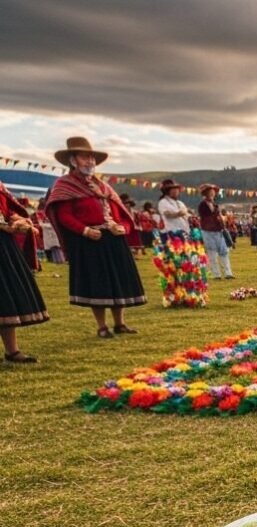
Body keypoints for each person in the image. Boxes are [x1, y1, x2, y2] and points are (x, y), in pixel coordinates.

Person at [44, 136, 146, 337]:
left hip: (112, 239)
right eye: (85, 157)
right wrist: (85, 231)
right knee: (97, 283)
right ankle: (102, 326)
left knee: (117, 280)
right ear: (73, 160)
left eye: (92, 158)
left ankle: (120, 323)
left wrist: (123, 227)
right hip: (89, 240)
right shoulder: (64, 185)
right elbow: (64, 216)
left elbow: (120, 213)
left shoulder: (104, 187)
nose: (90, 161)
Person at [0, 180, 47, 362]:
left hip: (3, 244)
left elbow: (7, 210)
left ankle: (12, 351)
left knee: (6, 297)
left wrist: (17, 220)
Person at [154, 178, 208, 308]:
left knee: (188, 265)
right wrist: (180, 213)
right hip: (172, 238)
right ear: (168, 190)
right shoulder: (163, 203)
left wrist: (190, 217)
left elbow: (187, 216)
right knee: (173, 266)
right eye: (174, 189)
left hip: (186, 237)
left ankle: (189, 295)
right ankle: (174, 296)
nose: (177, 191)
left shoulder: (180, 202)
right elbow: (168, 214)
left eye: (177, 189)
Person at [197, 184, 234, 279]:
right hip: (208, 231)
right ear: (206, 193)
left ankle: (228, 273)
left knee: (224, 252)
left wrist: (222, 225)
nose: (213, 193)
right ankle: (216, 274)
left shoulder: (215, 204)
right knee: (212, 253)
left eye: (213, 191)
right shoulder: (202, 205)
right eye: (210, 191)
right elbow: (206, 216)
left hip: (218, 231)